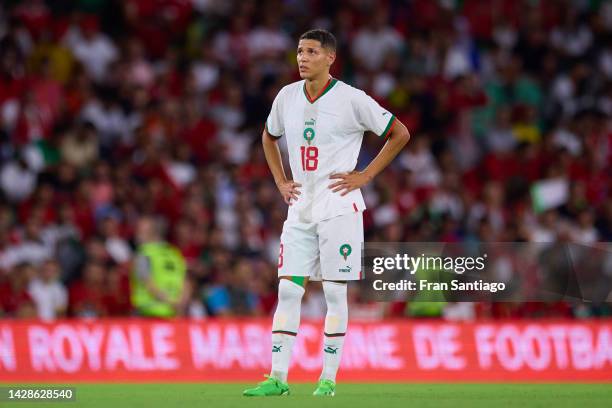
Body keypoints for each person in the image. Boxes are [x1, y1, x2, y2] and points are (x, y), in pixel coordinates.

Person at [243, 29, 410, 397]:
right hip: (299, 207)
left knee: (335, 293)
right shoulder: (286, 96)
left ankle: (328, 378)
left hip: (339, 209)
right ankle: (277, 378)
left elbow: (399, 133)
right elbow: (268, 137)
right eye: (299, 51)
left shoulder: (352, 99)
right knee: (288, 290)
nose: (302, 58)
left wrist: (365, 175)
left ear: (330, 58)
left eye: (311, 52)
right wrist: (280, 180)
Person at [130, 216, 189, 318]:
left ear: (152, 232)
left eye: (141, 230)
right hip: (173, 314)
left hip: (147, 315)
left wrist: (170, 301)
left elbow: (148, 283)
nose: (137, 233)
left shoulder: (144, 254)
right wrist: (180, 304)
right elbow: (186, 282)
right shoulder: (174, 253)